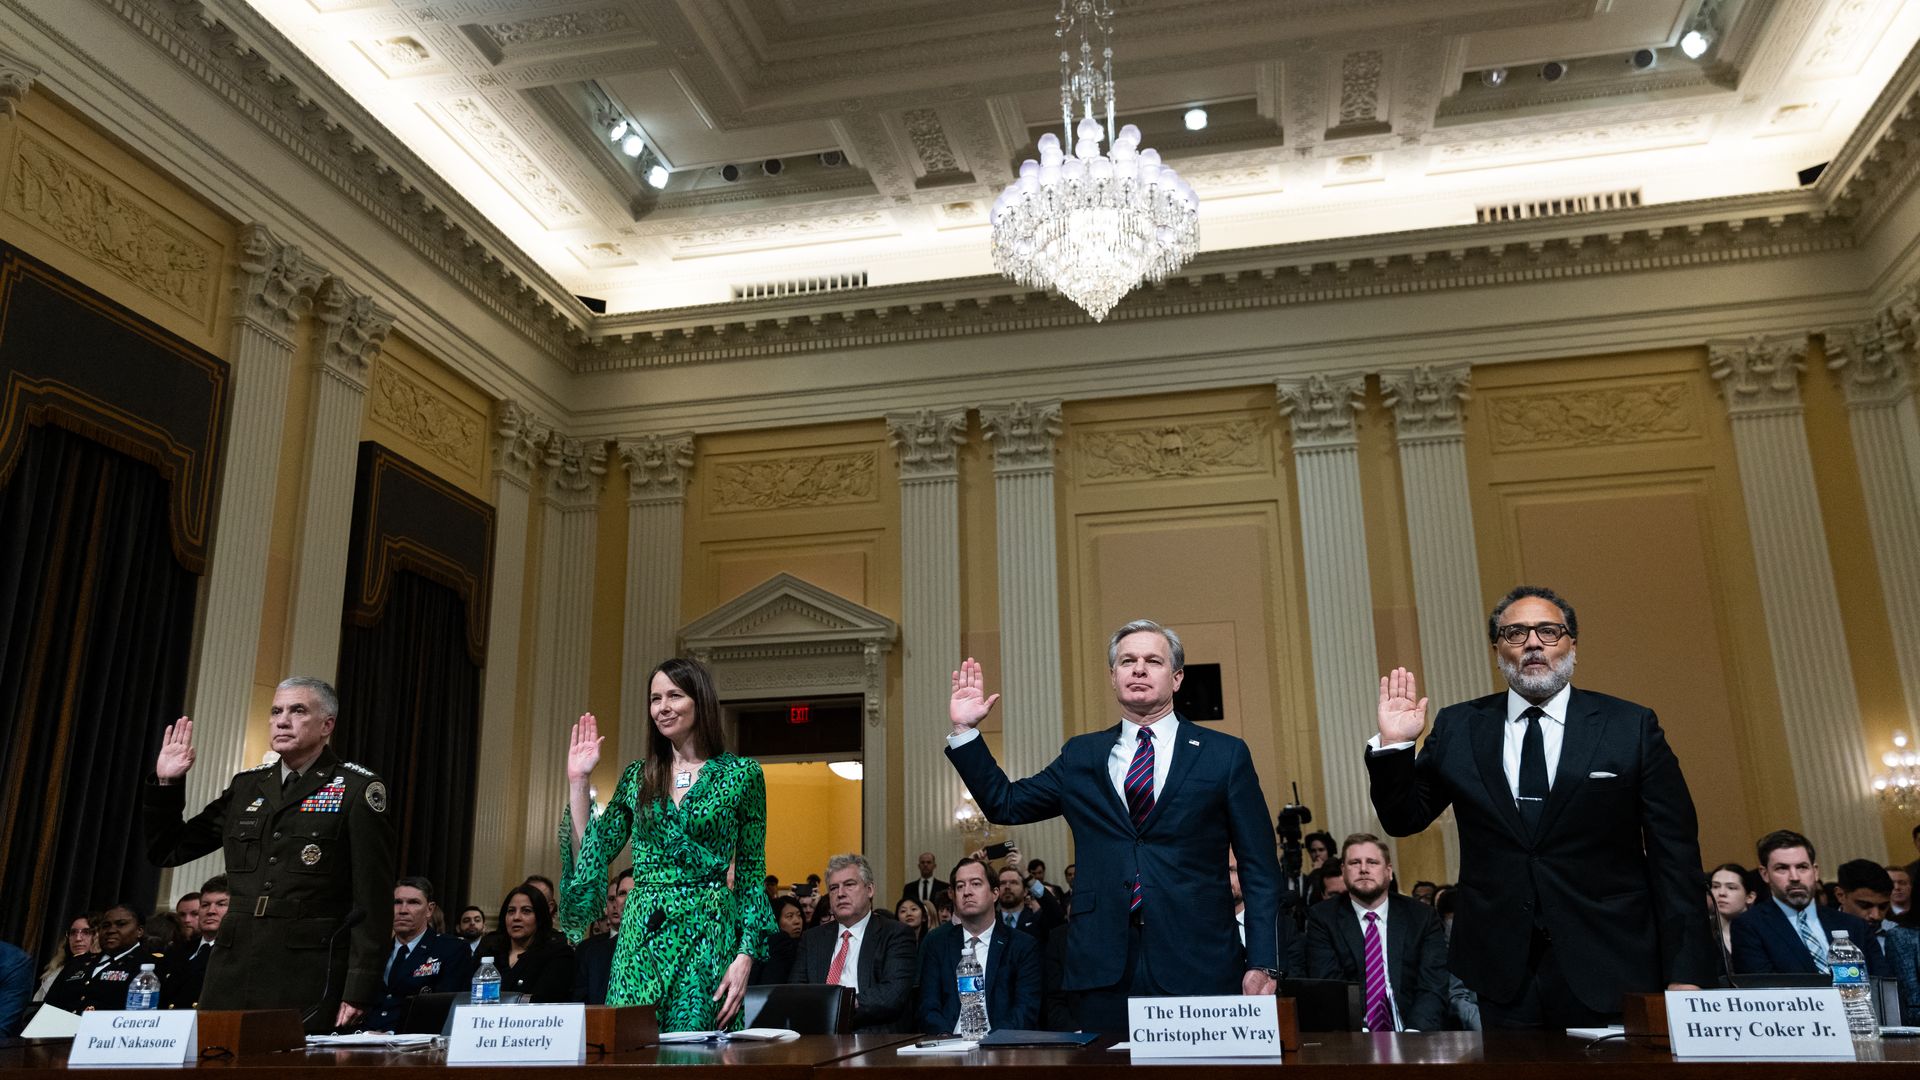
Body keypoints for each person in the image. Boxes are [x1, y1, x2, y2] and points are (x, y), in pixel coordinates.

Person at [1368, 586, 1714, 1029]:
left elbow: (1675, 858)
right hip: (1501, 973)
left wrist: (1686, 974)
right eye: (1515, 633)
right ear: (1498, 649)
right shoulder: (1459, 726)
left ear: (1571, 644)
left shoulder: (1629, 726)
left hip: (1612, 960)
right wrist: (1396, 746)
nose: (1533, 643)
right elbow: (1403, 819)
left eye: (1548, 631)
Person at [944, 619, 1284, 1033]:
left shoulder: (1223, 755)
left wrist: (1263, 960)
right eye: (1127, 661)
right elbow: (1006, 803)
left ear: (1176, 678)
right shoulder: (1081, 754)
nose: (1138, 669)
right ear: (1113, 676)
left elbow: (1260, 868)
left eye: (1153, 660)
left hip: (1200, 959)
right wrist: (965, 732)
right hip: (1102, 966)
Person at [143, 676, 395, 1031]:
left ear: (327, 725)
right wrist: (167, 783)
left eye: (297, 710)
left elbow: (373, 900)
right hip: (233, 964)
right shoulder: (247, 786)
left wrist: (359, 988)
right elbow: (168, 849)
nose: (282, 720)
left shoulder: (356, 789)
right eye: (276, 710)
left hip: (306, 969)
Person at [559, 657, 773, 1031]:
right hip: (642, 932)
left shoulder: (742, 775)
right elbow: (596, 849)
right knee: (629, 1044)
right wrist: (579, 780)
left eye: (674, 695)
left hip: (708, 931)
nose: (663, 707)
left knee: (697, 1053)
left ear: (700, 701)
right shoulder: (637, 776)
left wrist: (745, 955)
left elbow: (753, 875)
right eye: (655, 698)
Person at [1302, 834, 1448, 1032]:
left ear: (1388, 871)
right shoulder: (1323, 918)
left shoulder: (1422, 917)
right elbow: (1330, 989)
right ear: (1343, 871)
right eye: (1354, 862)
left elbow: (1432, 986)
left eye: (1372, 862)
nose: (1363, 869)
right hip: (1354, 1037)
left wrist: (1414, 1037)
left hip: (1414, 1031)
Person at [1731, 830, 1886, 978]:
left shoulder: (1853, 925)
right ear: (1765, 874)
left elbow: (1882, 986)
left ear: (1815, 871)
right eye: (1782, 868)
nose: (1794, 877)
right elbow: (1764, 991)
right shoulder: (1750, 926)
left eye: (1802, 867)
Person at [794, 853, 918, 1033]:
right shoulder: (812, 939)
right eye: (834, 888)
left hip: (872, 1038)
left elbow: (892, 995)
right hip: (817, 1037)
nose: (840, 894)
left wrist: (839, 1005)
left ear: (869, 890)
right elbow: (796, 992)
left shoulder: (895, 934)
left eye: (849, 885)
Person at [919, 856, 1042, 1034]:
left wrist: (990, 1042)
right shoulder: (937, 944)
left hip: (1002, 1049)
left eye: (975, 884)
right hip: (949, 1046)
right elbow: (928, 1007)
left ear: (995, 893)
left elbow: (1025, 1009)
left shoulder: (1022, 945)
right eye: (960, 886)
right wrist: (948, 1041)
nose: (967, 892)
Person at [361, 877, 472, 1030]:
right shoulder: (376, 950)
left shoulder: (451, 949)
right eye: (397, 902)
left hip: (416, 1043)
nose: (403, 910)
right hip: (364, 1037)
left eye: (413, 902)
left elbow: (444, 1009)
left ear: (429, 910)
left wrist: (393, 1035)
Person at [1834, 860, 1920, 1024]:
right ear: (1840, 895)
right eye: (1865, 905)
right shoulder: (1825, 936)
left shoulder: (1900, 935)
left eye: (1883, 907)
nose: (1876, 915)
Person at [75, 905, 170, 1011]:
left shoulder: (151, 965)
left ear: (139, 931)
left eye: (121, 924)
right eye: (105, 925)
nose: (111, 930)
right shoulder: (79, 962)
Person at [573, 869, 633, 1005]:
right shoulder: (594, 953)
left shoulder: (662, 946)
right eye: (622, 893)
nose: (628, 899)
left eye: (634, 892)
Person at [170, 876, 229, 1009]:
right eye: (205, 905)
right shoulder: (178, 950)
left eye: (221, 904)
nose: (210, 911)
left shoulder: (239, 954)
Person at [1707, 863, 1759, 981]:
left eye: (1731, 887)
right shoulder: (1702, 932)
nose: (1721, 893)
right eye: (1715, 886)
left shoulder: (1764, 929)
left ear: (1750, 897)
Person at [34, 914, 94, 1004]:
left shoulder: (102, 970)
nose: (78, 938)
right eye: (73, 933)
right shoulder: (57, 971)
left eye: (86, 932)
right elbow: (36, 1006)